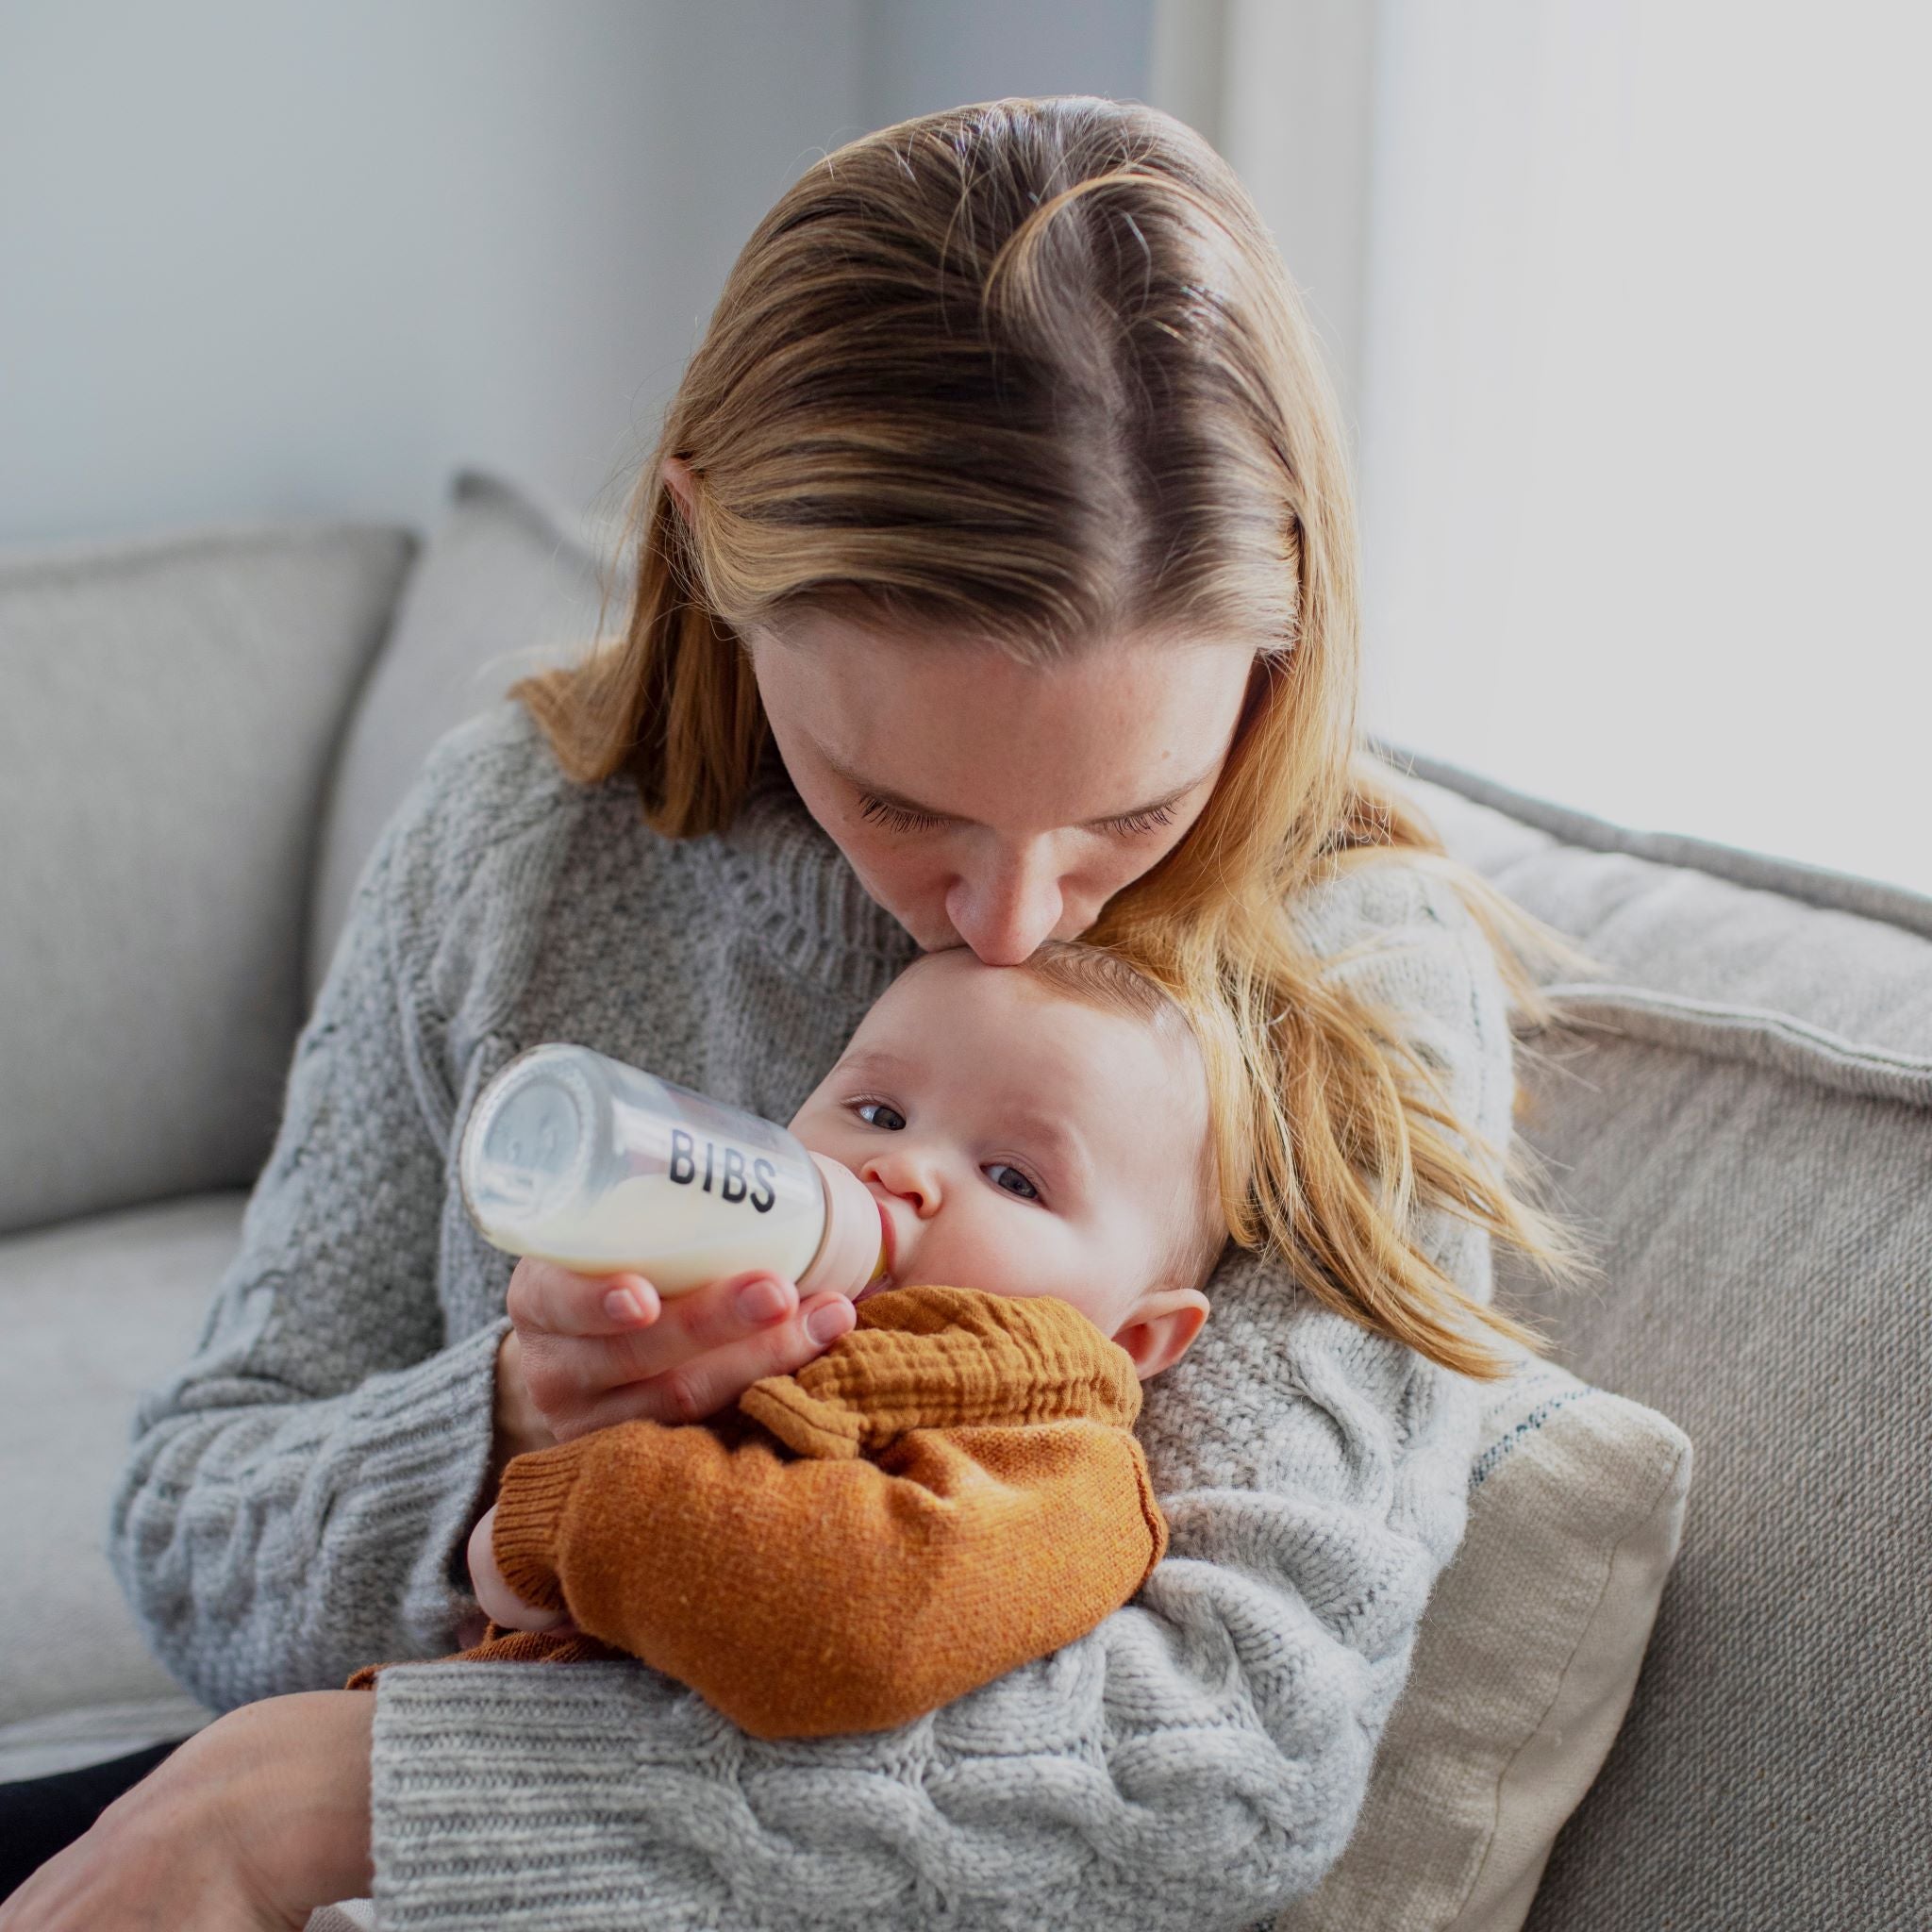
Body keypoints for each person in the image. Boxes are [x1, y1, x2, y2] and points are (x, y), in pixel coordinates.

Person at [0, 95, 1583, 1930]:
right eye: (898, 798)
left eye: (1124, 816)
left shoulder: (1343, 983)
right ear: (708, 556)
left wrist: (374, 1796)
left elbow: (1226, 1751)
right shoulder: (522, 838)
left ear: (1283, 645)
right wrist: (507, 1429)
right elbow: (193, 1519)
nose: (1004, 921)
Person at [416, 941, 1224, 1740]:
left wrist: (556, 1519)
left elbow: (867, 1620)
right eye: (879, 1114)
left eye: (1013, 1178)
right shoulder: (729, 1324)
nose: (900, 1167)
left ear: (1136, 1336)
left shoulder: (1057, 1466)